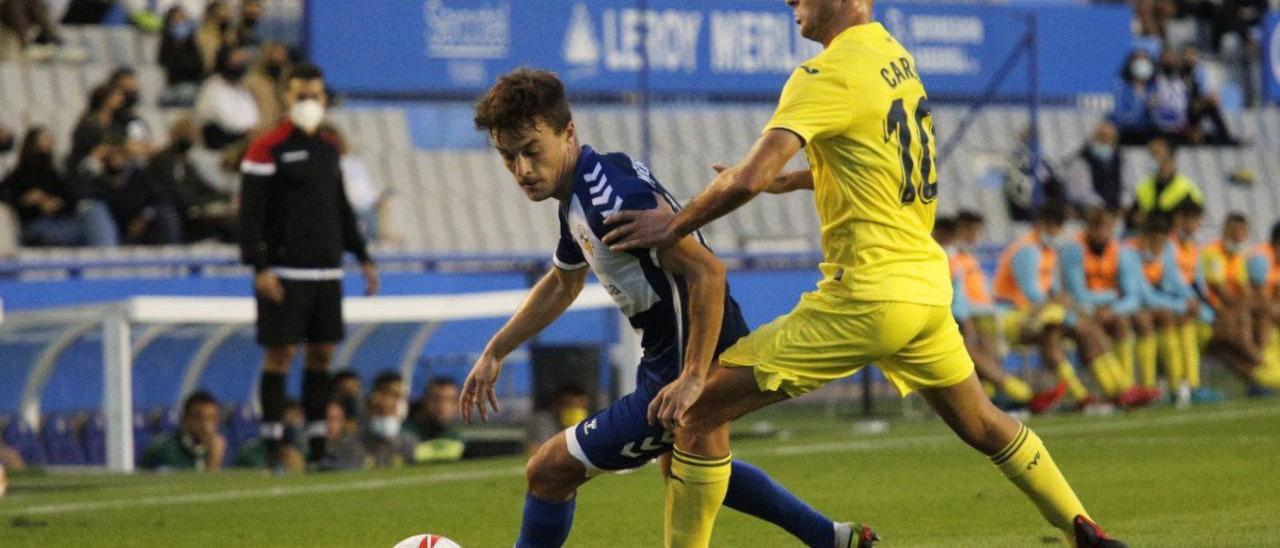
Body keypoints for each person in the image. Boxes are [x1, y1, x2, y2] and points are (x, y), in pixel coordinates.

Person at [602, 2, 1126, 545]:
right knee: (984, 423)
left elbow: (750, 176)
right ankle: (1082, 527)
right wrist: (806, 178)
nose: (790, 1)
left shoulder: (824, 73)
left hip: (867, 297)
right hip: (922, 286)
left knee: (692, 412)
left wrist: (673, 225)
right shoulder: (894, 57)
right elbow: (878, 159)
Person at [463, 68, 860, 548]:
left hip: (681, 363)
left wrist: (693, 378)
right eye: (509, 157)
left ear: (568, 132)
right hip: (672, 355)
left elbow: (708, 272)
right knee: (690, 463)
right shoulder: (583, 187)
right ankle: (833, 539)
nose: (522, 170)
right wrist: (495, 350)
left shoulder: (608, 200)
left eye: (531, 150)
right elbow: (563, 284)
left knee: (547, 471)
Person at [239, 63, 379, 470]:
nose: (310, 103)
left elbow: (341, 209)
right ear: (286, 97)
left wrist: (363, 257)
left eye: (316, 96)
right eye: (302, 96)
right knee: (280, 355)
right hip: (285, 272)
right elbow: (250, 215)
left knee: (321, 355)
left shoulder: (330, 147)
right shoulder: (265, 149)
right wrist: (260, 267)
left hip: (327, 272)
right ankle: (273, 446)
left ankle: (319, 447)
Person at [936, 217, 1048, 411]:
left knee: (983, 342)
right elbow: (950, 295)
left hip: (960, 317)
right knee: (967, 348)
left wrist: (965, 319)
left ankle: (993, 398)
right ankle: (1021, 394)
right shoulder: (939, 257)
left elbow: (959, 294)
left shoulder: (957, 258)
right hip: (940, 320)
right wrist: (964, 319)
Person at [1057, 208, 1154, 408]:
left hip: (1099, 309)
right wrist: (1110, 297)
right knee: (1091, 332)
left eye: (1109, 228)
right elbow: (1077, 293)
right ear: (1089, 229)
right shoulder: (1074, 250)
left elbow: (1131, 294)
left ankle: (1128, 387)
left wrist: (1111, 307)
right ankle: (1119, 389)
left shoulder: (1118, 251)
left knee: (1121, 322)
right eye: (1100, 228)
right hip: (1075, 310)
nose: (1105, 234)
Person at [1201, 213, 1280, 394]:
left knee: (1261, 315)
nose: (1239, 236)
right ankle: (1260, 367)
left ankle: (1262, 371)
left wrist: (1255, 305)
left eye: (1243, 232)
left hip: (1235, 311)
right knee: (1245, 322)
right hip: (1214, 312)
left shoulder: (1240, 257)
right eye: (1235, 231)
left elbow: (1246, 290)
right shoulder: (1213, 253)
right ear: (1225, 231)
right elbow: (1221, 292)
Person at [0, 127, 118, 247]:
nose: (50, 142)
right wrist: (27, 200)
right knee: (94, 229)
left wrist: (57, 203)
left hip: (59, 221)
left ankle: (106, 257)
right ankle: (107, 260)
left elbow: (69, 199)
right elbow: (6, 195)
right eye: (45, 138)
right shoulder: (20, 174)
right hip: (35, 225)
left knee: (96, 210)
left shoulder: (53, 173)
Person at [145, 117, 237, 242]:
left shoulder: (186, 163)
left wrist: (227, 198)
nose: (190, 139)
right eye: (186, 134)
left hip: (190, 209)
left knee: (230, 221)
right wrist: (206, 203)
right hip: (169, 209)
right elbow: (177, 194)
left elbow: (203, 186)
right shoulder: (162, 160)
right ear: (174, 135)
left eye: (192, 135)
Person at [140, 391, 226, 471]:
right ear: (184, 418)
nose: (206, 426)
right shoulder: (164, 450)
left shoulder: (223, 451)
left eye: (212, 418)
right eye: (198, 418)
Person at [195, 45, 260, 149]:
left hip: (241, 144)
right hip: (218, 149)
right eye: (236, 61)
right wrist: (248, 129)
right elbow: (228, 122)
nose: (241, 65)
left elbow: (253, 117)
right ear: (225, 62)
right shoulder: (212, 87)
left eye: (242, 61)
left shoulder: (241, 89)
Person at [1132, 138, 1204, 220]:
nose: (1151, 158)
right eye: (1150, 154)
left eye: (1156, 153)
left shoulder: (1188, 190)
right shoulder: (1143, 188)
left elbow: (1192, 224)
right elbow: (1134, 219)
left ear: (1172, 156)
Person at [1065, 122, 1125, 211]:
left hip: (1115, 207)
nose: (1107, 141)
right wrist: (1099, 204)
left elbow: (1126, 186)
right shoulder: (1081, 160)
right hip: (1090, 209)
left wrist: (1123, 202)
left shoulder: (1120, 159)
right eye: (1102, 137)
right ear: (1095, 137)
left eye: (1110, 138)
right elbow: (1080, 192)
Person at [406, 377, 465, 463]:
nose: (442, 406)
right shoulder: (406, 435)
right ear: (425, 401)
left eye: (449, 400)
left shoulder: (457, 438)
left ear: (457, 405)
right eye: (436, 399)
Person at [158, 6, 204, 105]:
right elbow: (167, 64)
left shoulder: (192, 42)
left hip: (192, 83)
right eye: (175, 19)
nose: (179, 22)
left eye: (181, 18)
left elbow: (198, 65)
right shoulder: (166, 43)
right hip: (174, 84)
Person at [361, 388, 417, 468]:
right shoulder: (355, 443)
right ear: (368, 413)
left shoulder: (409, 443)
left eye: (390, 410)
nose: (385, 415)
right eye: (380, 411)